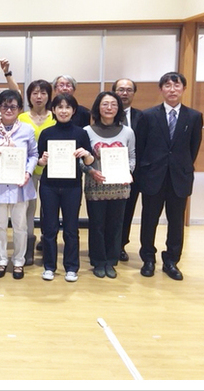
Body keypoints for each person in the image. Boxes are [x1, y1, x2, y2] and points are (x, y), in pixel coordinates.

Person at [136, 72, 203, 281]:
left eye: (176, 86)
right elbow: (141, 147)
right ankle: (148, 258)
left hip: (179, 177)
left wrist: (180, 166)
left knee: (176, 222)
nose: (172, 89)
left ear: (183, 89)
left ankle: (171, 261)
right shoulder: (148, 116)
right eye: (167, 85)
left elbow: (193, 149)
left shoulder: (194, 117)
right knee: (149, 219)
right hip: (153, 176)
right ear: (161, 90)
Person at [36, 94, 94, 282]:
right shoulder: (46, 133)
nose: (63, 111)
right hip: (49, 186)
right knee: (50, 228)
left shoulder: (81, 133)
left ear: (73, 110)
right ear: (53, 110)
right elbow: (39, 159)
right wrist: (42, 160)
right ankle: (49, 266)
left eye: (67, 107)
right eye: (59, 107)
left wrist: (86, 154)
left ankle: (71, 267)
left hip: (72, 186)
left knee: (71, 228)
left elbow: (90, 160)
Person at [0, 90, 38, 280]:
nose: (8, 109)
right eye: (4, 105)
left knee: (20, 225)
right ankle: (1, 260)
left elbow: (34, 155)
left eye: (13, 106)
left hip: (20, 184)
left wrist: (28, 172)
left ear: (20, 109)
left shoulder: (27, 130)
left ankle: (19, 261)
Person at [83, 92, 136, 279]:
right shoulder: (87, 131)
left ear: (118, 109)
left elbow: (132, 157)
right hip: (95, 186)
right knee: (97, 225)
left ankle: (111, 261)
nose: (109, 108)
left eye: (113, 104)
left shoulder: (128, 132)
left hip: (120, 187)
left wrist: (127, 172)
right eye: (105, 104)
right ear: (98, 107)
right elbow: (82, 161)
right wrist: (90, 171)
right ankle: (98, 261)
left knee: (115, 225)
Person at [18, 79, 56, 265]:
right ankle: (27, 250)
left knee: (49, 209)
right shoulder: (21, 118)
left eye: (43, 93)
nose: (39, 96)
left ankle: (48, 246)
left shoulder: (55, 116)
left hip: (53, 170)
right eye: (35, 93)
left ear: (49, 95)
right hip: (29, 170)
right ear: (29, 96)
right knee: (28, 209)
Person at [112, 78, 143, 261]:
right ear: (114, 92)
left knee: (127, 210)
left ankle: (121, 245)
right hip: (106, 174)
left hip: (132, 173)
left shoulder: (142, 117)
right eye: (120, 89)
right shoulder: (103, 115)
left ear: (133, 94)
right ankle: (106, 245)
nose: (124, 93)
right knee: (107, 211)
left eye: (129, 90)